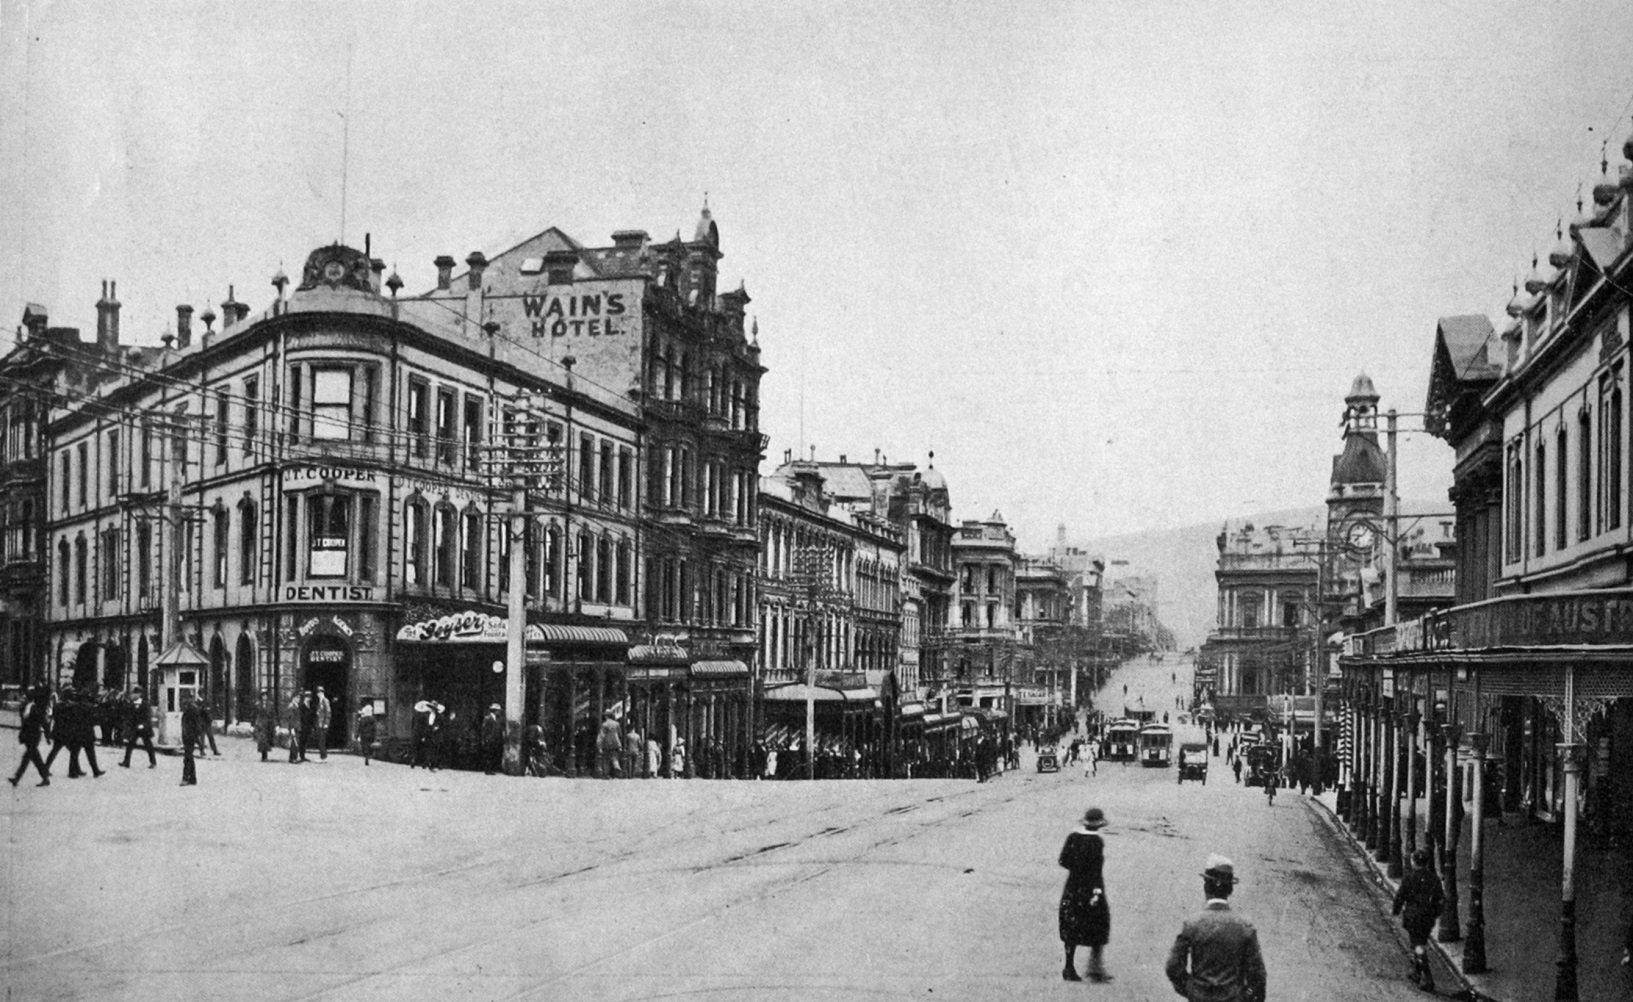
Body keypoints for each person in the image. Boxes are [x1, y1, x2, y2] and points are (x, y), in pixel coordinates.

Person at [1165, 854, 1267, 1002]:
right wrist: (1246, 996)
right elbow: (1258, 977)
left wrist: (1192, 990)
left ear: (1206, 886)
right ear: (1230, 889)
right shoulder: (1245, 928)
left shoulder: (1192, 925)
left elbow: (1173, 967)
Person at [1058, 806, 1112, 982]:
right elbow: (1096, 869)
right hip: (1091, 887)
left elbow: (1063, 861)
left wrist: (1076, 869)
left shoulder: (1073, 837)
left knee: (1071, 924)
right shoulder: (1096, 842)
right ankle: (1095, 968)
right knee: (1099, 922)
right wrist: (1096, 892)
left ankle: (1069, 966)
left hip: (1073, 886)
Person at [1392, 848, 1444, 991]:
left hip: (1413, 917)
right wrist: (1434, 914)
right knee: (1420, 942)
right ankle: (1416, 972)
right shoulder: (1434, 879)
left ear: (1414, 862)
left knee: (1418, 946)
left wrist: (1396, 910)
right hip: (1427, 918)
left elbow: (1400, 895)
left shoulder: (1409, 877)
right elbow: (1440, 900)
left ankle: (1428, 978)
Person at [10, 683, 52, 787]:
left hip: (33, 736)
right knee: (33, 758)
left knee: (30, 757)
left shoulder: (36, 708)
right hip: (29, 736)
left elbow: (44, 723)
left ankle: (17, 778)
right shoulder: (29, 706)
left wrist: (47, 736)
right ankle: (44, 776)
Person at [120, 689, 157, 768]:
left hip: (144, 728)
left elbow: (148, 716)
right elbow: (129, 716)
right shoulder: (131, 704)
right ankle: (126, 762)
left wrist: (143, 724)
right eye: (133, 694)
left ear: (139, 694)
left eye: (135, 694)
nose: (133, 695)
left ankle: (153, 762)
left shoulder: (145, 704)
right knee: (130, 744)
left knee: (148, 745)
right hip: (135, 727)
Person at [179, 696, 201, 786]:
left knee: (187, 757)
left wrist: (196, 737)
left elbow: (197, 724)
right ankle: (193, 778)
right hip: (187, 736)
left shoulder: (192, 709)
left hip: (190, 736)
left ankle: (185, 778)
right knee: (189, 756)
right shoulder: (188, 708)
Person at [596, 712, 623, 778]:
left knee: (606, 759)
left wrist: (599, 746)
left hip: (607, 744)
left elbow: (601, 736)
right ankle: (616, 766)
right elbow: (620, 734)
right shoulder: (616, 724)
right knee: (614, 757)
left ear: (606, 716)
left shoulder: (604, 724)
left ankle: (606, 774)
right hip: (616, 743)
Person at [252, 690, 277, 761]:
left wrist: (276, 724)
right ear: (261, 696)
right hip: (260, 725)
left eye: (266, 695)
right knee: (262, 740)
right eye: (263, 695)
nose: (265, 697)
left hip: (268, 725)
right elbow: (254, 715)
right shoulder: (257, 705)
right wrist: (252, 725)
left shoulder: (271, 705)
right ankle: (264, 756)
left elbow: (273, 715)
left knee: (266, 740)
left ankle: (265, 755)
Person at [480, 703, 503, 775]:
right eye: (498, 711)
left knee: (492, 755)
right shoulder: (488, 718)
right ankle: (487, 770)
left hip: (494, 740)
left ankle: (490, 769)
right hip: (489, 740)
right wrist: (484, 740)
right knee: (488, 755)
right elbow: (484, 730)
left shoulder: (496, 719)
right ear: (494, 711)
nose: (499, 712)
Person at [285, 692, 305, 763]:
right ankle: (293, 758)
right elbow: (291, 718)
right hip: (294, 727)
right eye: (297, 697)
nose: (298, 699)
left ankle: (292, 757)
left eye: (299, 698)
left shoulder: (296, 706)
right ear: (293, 698)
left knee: (295, 742)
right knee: (294, 743)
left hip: (296, 726)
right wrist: (292, 728)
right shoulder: (292, 707)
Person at [313, 687, 332, 760]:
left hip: (323, 724)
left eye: (319, 693)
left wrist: (326, 723)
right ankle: (322, 756)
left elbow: (328, 712)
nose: (318, 695)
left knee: (322, 740)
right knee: (320, 740)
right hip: (319, 723)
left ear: (321, 693)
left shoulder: (325, 701)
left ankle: (323, 756)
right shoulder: (320, 701)